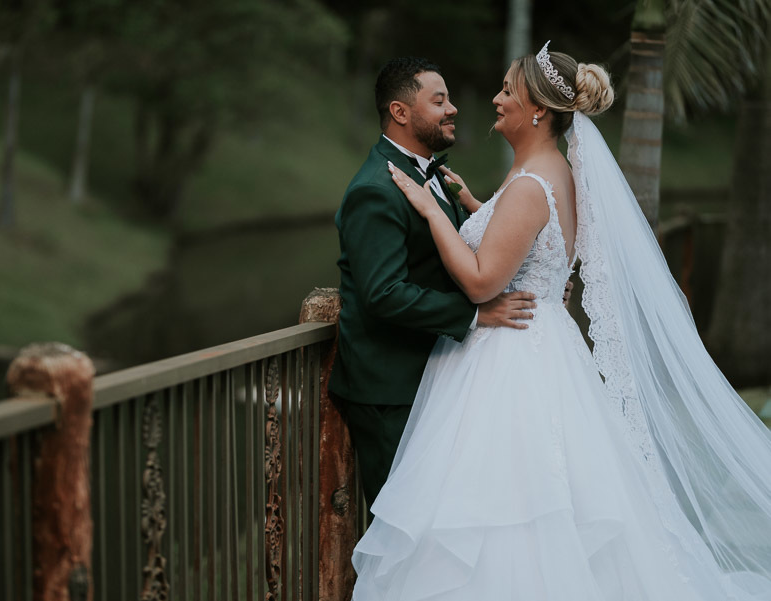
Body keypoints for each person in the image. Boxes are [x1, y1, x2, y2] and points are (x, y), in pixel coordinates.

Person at [352, 42, 771, 600]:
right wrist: (476, 207)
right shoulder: (543, 173)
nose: (495, 100)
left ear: (539, 111)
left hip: (512, 353)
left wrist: (432, 211)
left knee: (509, 505)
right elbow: (528, 242)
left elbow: (481, 281)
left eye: (507, 91)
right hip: (542, 340)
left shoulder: (530, 184)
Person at [328, 57, 545, 508]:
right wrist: (475, 314)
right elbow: (383, 294)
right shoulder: (375, 189)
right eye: (439, 100)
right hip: (390, 389)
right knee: (400, 527)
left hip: (436, 377)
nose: (453, 109)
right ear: (400, 112)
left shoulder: (432, 178)